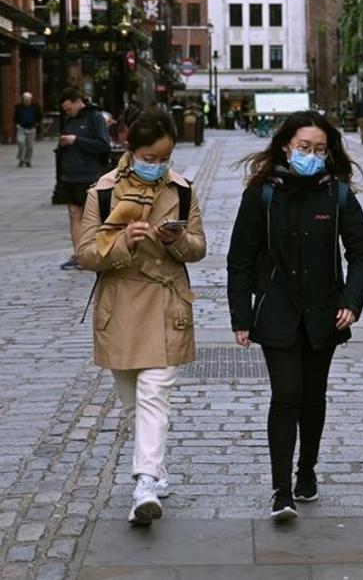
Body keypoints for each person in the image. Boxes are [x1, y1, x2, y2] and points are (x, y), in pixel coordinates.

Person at [226, 111, 363, 520]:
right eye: (304, 147)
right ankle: (282, 490)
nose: (311, 155)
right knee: (286, 395)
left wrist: (352, 300)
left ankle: (306, 469)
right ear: (286, 145)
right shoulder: (263, 192)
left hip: (324, 312)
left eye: (320, 149)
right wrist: (241, 314)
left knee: (313, 396)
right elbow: (239, 257)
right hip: (277, 310)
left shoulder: (337, 192)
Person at [76, 108, 207, 526]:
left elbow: (199, 247)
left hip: (167, 303)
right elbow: (84, 254)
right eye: (150, 157)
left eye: (165, 156)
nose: (158, 165)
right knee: (134, 403)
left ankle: (145, 483)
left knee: (155, 395)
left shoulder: (183, 189)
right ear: (130, 151)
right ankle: (157, 467)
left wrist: (178, 239)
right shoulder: (102, 191)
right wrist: (122, 245)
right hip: (120, 305)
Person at [56, 88, 111, 271]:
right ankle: (78, 254)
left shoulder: (95, 118)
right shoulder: (70, 120)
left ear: (78, 102)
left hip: (88, 174)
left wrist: (76, 140)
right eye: (65, 110)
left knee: (90, 216)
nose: (67, 113)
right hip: (70, 174)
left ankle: (91, 253)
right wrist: (64, 143)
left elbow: (103, 146)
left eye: (69, 109)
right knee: (73, 213)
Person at [14, 92, 43, 168]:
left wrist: (37, 123)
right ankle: (21, 159)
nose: (26, 101)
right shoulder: (18, 107)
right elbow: (15, 116)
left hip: (32, 128)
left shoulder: (35, 107)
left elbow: (39, 115)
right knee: (21, 143)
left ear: (31, 99)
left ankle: (27, 160)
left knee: (30, 146)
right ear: (23, 99)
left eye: (28, 99)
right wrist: (17, 123)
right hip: (21, 128)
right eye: (25, 99)